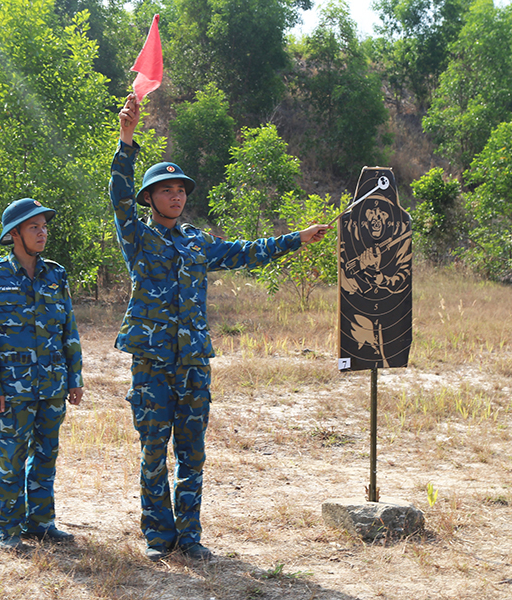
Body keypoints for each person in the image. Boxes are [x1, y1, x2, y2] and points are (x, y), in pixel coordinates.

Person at [109, 92, 330, 562]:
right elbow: (119, 197)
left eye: (181, 190)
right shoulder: (138, 237)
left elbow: (244, 252)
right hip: (152, 364)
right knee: (154, 453)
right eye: (166, 190)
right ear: (149, 198)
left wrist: (296, 239)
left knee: (192, 455)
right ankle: (158, 536)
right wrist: (126, 142)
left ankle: (189, 537)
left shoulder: (197, 243)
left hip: (193, 363)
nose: (176, 195)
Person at [0, 198, 84, 551]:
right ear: (15, 233)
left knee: (46, 455)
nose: (42, 233)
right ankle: (7, 529)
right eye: (33, 227)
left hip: (52, 384)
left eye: (44, 226)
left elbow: (69, 329)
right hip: (13, 388)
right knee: (12, 458)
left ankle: (40, 524)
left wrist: (75, 377)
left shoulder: (56, 274)